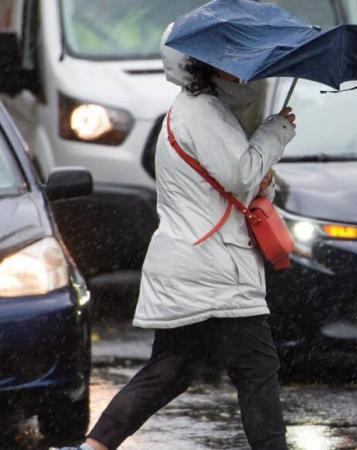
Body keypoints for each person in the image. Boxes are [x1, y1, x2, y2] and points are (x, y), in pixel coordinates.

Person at [53, 24, 296, 450]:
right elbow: (241, 173)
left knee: (172, 368)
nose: (243, 74)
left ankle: (93, 447)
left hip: (196, 260)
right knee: (257, 368)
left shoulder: (199, 111)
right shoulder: (204, 112)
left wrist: (263, 164)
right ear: (208, 67)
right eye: (233, 63)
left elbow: (234, 182)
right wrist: (275, 132)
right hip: (214, 266)